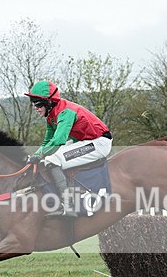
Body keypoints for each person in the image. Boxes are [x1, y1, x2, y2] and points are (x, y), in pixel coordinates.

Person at [25, 80, 112, 218]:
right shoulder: (51, 116)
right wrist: (34, 156)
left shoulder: (65, 112)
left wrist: (40, 155)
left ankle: (68, 205)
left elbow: (58, 140)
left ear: (49, 102)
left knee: (53, 159)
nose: (35, 107)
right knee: (46, 157)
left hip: (99, 143)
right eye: (33, 103)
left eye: (38, 103)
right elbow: (47, 142)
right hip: (86, 141)